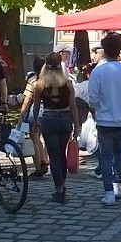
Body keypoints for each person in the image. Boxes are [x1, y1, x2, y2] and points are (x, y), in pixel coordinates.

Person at [88, 32, 121, 206]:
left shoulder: (99, 71)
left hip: (104, 120)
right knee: (119, 154)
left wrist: (98, 107)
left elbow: (92, 97)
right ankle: (117, 186)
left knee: (106, 156)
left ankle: (109, 192)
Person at [30, 53, 79, 203]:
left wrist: (35, 122)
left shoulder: (40, 84)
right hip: (65, 120)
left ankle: (59, 188)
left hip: (49, 119)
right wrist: (77, 126)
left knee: (53, 155)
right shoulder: (68, 83)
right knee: (61, 154)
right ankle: (62, 184)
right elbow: (73, 107)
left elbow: (36, 106)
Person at [18, 56, 50, 178]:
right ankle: (43, 161)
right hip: (48, 111)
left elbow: (27, 100)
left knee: (34, 140)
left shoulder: (33, 80)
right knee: (40, 139)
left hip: (35, 112)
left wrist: (21, 116)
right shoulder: (50, 80)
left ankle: (38, 168)